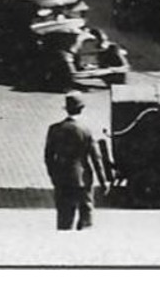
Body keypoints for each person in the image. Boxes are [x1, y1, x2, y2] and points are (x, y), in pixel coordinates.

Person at [44, 92, 107, 230]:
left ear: (66, 109)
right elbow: (96, 158)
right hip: (83, 179)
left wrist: (53, 175)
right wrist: (103, 182)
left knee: (64, 217)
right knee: (86, 215)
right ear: (81, 109)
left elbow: (48, 156)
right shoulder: (86, 130)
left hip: (62, 178)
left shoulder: (54, 129)